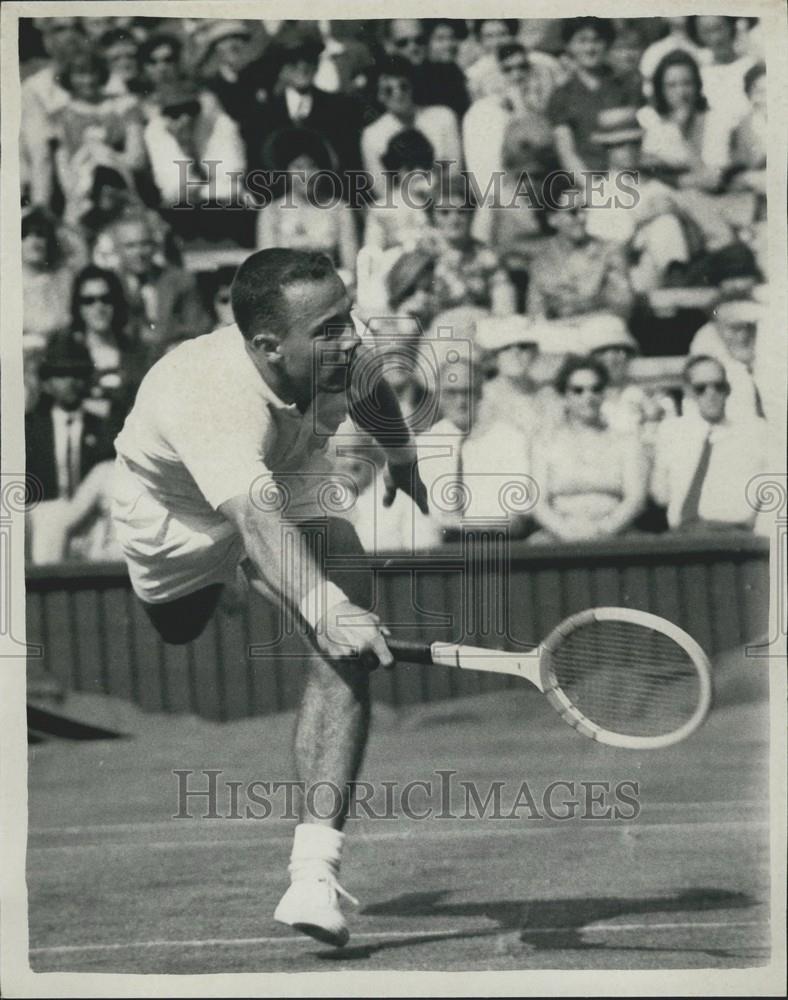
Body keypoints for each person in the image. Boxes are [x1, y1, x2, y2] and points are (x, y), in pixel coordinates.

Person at [111, 248, 429, 947]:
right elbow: (253, 520)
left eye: (347, 317)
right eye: (327, 329)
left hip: (284, 474)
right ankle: (239, 584)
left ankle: (313, 875)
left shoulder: (340, 345)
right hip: (176, 517)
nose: (348, 336)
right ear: (266, 346)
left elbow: (372, 385)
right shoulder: (206, 393)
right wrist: (323, 607)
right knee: (179, 624)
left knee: (339, 623)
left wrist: (402, 461)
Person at [529, 355, 649, 543]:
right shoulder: (546, 442)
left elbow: (635, 499)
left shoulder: (627, 441)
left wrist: (604, 530)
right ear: (564, 396)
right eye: (578, 390)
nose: (588, 396)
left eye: (596, 389)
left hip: (617, 533)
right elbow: (538, 504)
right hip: (559, 534)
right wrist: (566, 532)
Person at [651, 355, 767, 531]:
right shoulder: (671, 432)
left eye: (718, 386)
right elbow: (660, 494)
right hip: (682, 536)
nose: (711, 394)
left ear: (728, 389)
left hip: (734, 535)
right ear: (689, 391)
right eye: (701, 388)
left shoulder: (753, 433)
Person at [526, 183, 634, 339]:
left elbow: (622, 309)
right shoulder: (542, 261)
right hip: (561, 337)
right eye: (573, 212)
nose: (582, 218)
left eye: (585, 210)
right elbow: (535, 313)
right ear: (552, 219)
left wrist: (574, 321)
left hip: (600, 335)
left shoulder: (609, 252)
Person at [25, 333, 116, 504]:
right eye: (61, 374)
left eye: (78, 373)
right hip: (42, 518)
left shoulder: (102, 429)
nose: (71, 381)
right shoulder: (29, 429)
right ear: (47, 382)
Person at [256, 128, 359, 275]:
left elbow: (351, 268)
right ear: (285, 171)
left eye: (312, 166)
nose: (306, 175)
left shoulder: (340, 209)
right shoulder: (271, 211)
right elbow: (265, 268)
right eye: (298, 167)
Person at [548, 18, 641, 177]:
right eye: (582, 41)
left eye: (596, 40)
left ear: (607, 43)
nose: (590, 48)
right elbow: (567, 152)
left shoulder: (627, 86)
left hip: (630, 177)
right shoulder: (562, 95)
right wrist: (594, 191)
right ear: (569, 46)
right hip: (585, 183)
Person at [361, 55, 462, 198]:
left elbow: (455, 173)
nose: (398, 94)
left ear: (412, 86)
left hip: (445, 202)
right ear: (379, 96)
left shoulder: (443, 117)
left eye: (403, 86)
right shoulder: (372, 135)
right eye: (388, 90)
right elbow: (382, 191)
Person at [108, 212, 211, 350]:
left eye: (145, 244)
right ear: (117, 249)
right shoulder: (107, 285)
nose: (139, 253)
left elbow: (199, 327)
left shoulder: (180, 280)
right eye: (130, 246)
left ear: (155, 246)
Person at [68, 265, 146, 422]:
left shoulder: (139, 354)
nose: (99, 307)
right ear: (79, 307)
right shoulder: (68, 356)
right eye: (88, 301)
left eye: (106, 299)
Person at [689, 298, 766, 424]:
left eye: (749, 327)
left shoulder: (770, 350)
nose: (743, 336)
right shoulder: (707, 349)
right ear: (718, 328)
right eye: (734, 328)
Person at [22, 207, 81, 344]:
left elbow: (79, 250)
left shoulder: (64, 278)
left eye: (40, 234)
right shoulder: (8, 285)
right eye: (24, 235)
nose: (34, 241)